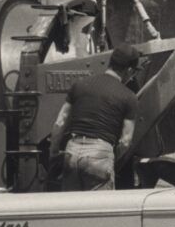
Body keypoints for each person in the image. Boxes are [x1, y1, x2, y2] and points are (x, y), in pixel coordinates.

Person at [49, 45, 140, 191]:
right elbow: (125, 142)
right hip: (100, 153)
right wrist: (109, 158)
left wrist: (53, 152)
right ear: (129, 70)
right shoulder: (129, 97)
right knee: (98, 211)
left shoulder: (79, 85)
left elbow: (60, 122)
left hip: (72, 151)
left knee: (71, 210)